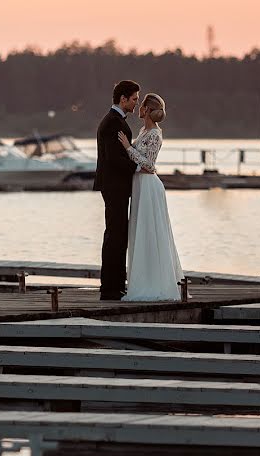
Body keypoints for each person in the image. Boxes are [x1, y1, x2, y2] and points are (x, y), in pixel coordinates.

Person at [117, 93, 184, 300]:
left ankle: (155, 283)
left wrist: (128, 147)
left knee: (151, 232)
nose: (138, 106)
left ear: (146, 109)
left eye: (141, 104)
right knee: (140, 232)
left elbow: (149, 165)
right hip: (139, 185)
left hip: (148, 187)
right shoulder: (144, 130)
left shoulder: (155, 134)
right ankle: (141, 280)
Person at [94, 80, 143, 301]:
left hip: (115, 185)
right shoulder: (113, 123)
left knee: (117, 234)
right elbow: (113, 158)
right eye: (134, 99)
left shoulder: (113, 121)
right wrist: (138, 166)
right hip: (114, 186)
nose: (136, 103)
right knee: (115, 235)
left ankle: (115, 285)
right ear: (122, 99)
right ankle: (110, 288)